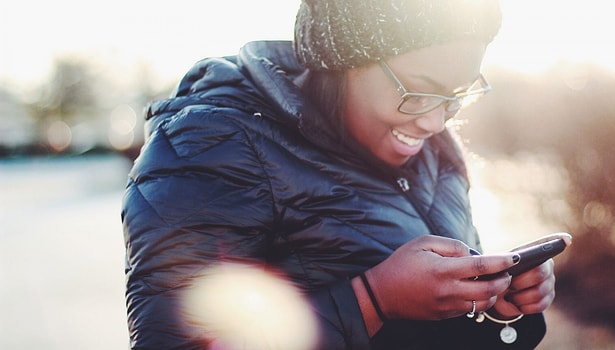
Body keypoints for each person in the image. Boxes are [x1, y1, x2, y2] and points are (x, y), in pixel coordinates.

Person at [121, 0, 559, 349]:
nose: (436, 122)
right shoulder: (213, 146)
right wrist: (372, 300)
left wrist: (497, 304)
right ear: (342, 59)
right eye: (418, 90)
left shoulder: (435, 150)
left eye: (457, 94)